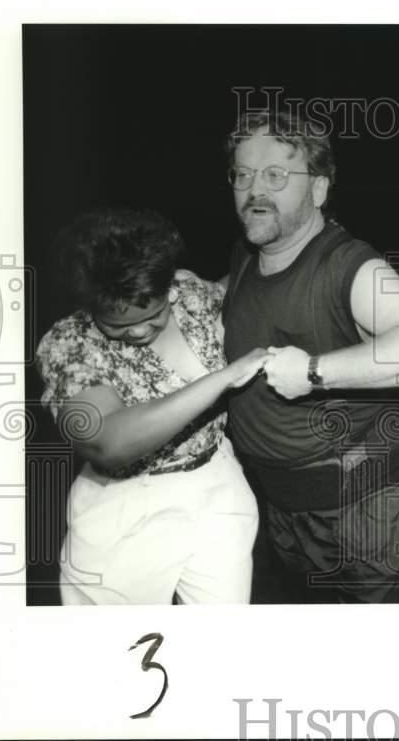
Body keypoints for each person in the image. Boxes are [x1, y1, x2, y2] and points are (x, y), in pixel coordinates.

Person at [221, 107, 399, 604]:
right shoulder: (247, 252)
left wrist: (314, 372)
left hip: (362, 505)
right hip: (285, 502)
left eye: (275, 175)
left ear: (318, 189)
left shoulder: (348, 266)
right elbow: (249, 301)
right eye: (242, 175)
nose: (253, 190)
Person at [35, 208, 269, 605]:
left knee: (224, 642)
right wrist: (222, 379)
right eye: (119, 325)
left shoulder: (187, 292)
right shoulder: (69, 344)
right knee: (116, 651)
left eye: (155, 314)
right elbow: (106, 441)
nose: (140, 331)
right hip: (126, 505)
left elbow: (245, 287)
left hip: (216, 483)